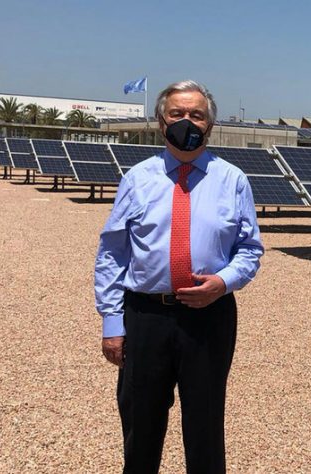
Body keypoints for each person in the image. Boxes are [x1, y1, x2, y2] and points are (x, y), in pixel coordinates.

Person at [94, 80, 263, 473]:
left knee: (205, 426)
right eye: (177, 114)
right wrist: (111, 322)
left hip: (209, 318)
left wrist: (223, 283)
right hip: (146, 316)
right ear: (160, 121)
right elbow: (113, 251)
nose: (186, 121)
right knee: (141, 425)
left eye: (196, 115)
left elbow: (250, 249)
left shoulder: (232, 180)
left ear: (210, 125)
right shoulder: (137, 178)